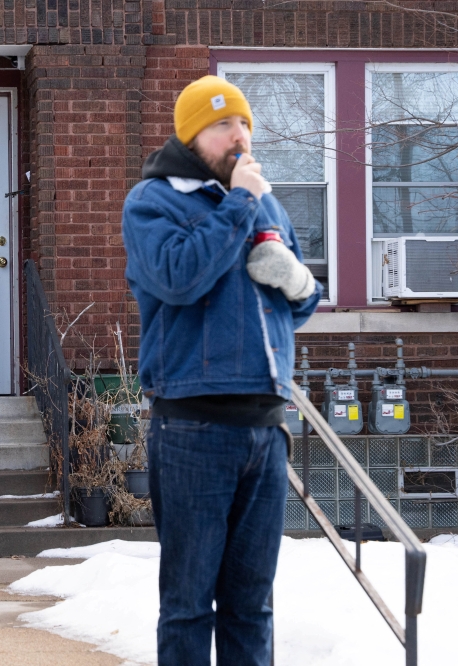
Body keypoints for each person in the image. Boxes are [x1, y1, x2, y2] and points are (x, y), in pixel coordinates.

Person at [121, 75, 321, 665]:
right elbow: (178, 277)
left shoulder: (265, 200)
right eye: (222, 125)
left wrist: (298, 280)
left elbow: (300, 302)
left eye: (244, 124)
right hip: (193, 428)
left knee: (251, 605)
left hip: (266, 424)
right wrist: (237, 203)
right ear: (190, 136)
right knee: (188, 603)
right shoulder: (154, 201)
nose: (239, 136)